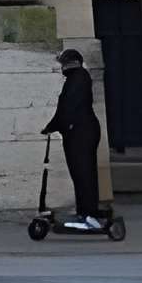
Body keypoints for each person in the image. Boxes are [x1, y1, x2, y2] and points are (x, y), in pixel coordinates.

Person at [44, 48, 105, 231]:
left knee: (83, 174)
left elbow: (67, 108)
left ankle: (88, 216)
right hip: (81, 132)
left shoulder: (78, 78)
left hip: (81, 133)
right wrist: (53, 125)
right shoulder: (78, 77)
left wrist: (53, 126)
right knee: (82, 174)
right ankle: (85, 212)